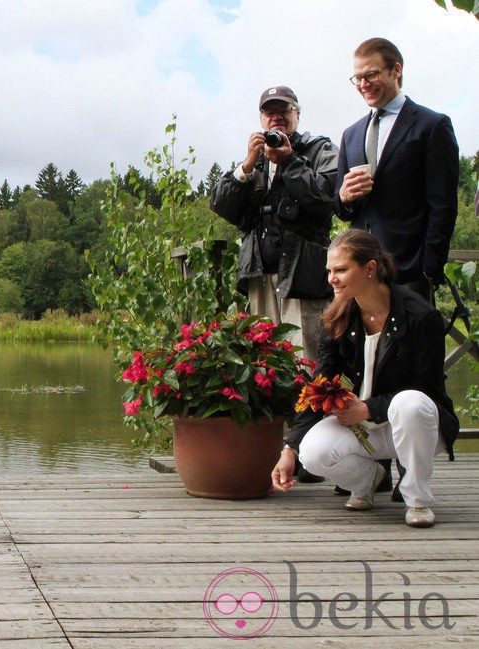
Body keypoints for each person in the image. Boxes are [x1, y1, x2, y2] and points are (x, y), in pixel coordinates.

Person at [271, 229, 458, 528]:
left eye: (341, 270)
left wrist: (369, 408)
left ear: (370, 269)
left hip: (418, 426)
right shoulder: (336, 319)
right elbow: (319, 386)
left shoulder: (422, 316)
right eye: (329, 270)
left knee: (409, 403)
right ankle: (369, 480)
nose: (332, 278)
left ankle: (418, 500)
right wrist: (289, 449)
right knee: (312, 452)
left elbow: (428, 390)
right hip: (364, 430)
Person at [211, 86, 338, 365]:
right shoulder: (254, 159)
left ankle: (314, 411)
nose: (277, 117)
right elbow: (222, 207)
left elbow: (327, 199)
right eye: (270, 112)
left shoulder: (320, 150)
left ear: (298, 114)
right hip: (260, 276)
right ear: (261, 119)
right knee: (264, 366)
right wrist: (246, 166)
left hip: (303, 277)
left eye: (284, 110)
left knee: (308, 362)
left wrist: (289, 161)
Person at [335, 37, 459, 303]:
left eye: (371, 75)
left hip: (411, 272)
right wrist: (343, 197)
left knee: (413, 345)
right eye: (357, 78)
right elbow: (343, 209)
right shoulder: (351, 134)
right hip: (360, 272)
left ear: (396, 70)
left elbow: (443, 206)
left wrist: (429, 269)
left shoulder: (432, 126)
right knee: (365, 346)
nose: (363, 85)